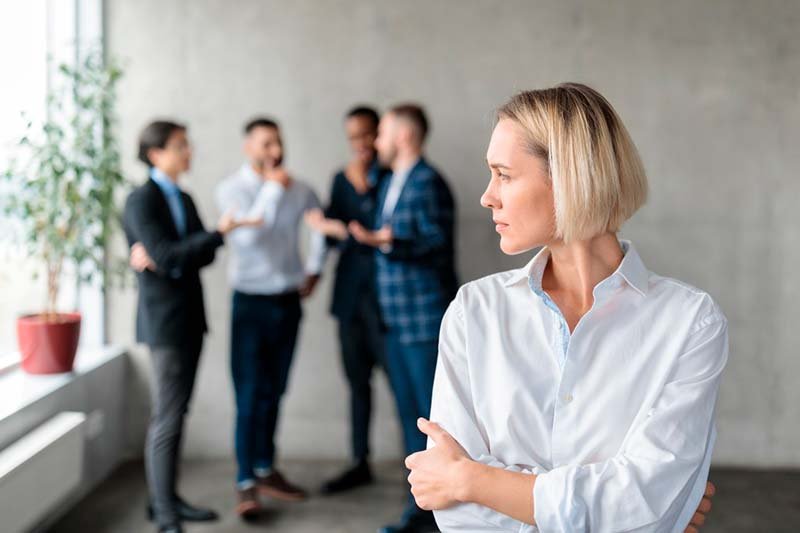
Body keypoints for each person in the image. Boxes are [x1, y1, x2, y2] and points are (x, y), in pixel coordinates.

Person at [404, 83, 724, 532]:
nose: (487, 196)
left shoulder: (691, 322)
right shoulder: (474, 311)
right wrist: (624, 514)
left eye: (504, 174)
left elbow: (649, 500)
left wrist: (472, 478)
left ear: (569, 177)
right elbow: (462, 519)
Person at [124, 120, 257, 533]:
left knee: (177, 413)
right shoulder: (140, 200)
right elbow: (169, 255)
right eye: (181, 145)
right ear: (155, 153)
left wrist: (184, 252)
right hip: (164, 323)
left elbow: (197, 256)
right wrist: (209, 238)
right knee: (167, 416)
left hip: (189, 320)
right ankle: (165, 516)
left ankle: (166, 500)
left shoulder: (182, 196)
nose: (189, 152)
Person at [348, 104, 457, 533]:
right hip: (393, 319)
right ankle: (421, 510)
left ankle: (437, 516)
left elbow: (437, 242)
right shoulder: (393, 178)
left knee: (434, 422)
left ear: (404, 136)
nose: (374, 142)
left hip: (423, 318)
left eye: (382, 134)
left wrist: (390, 240)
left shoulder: (429, 182)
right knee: (411, 417)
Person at [215, 117, 326, 519]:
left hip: (287, 303)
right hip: (250, 304)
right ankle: (246, 480)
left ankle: (265, 468)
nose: (274, 151)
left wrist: (314, 269)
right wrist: (272, 193)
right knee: (249, 394)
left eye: (278, 143)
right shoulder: (231, 190)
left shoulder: (301, 189)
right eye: (265, 144)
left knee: (275, 391)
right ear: (248, 147)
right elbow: (246, 238)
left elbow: (320, 227)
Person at [304, 105, 387, 494]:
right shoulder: (340, 179)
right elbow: (328, 234)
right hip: (350, 299)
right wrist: (314, 270)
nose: (361, 144)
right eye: (353, 137)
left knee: (407, 389)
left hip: (388, 302)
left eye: (367, 134)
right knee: (356, 385)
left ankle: (419, 471)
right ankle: (359, 461)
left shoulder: (393, 175)